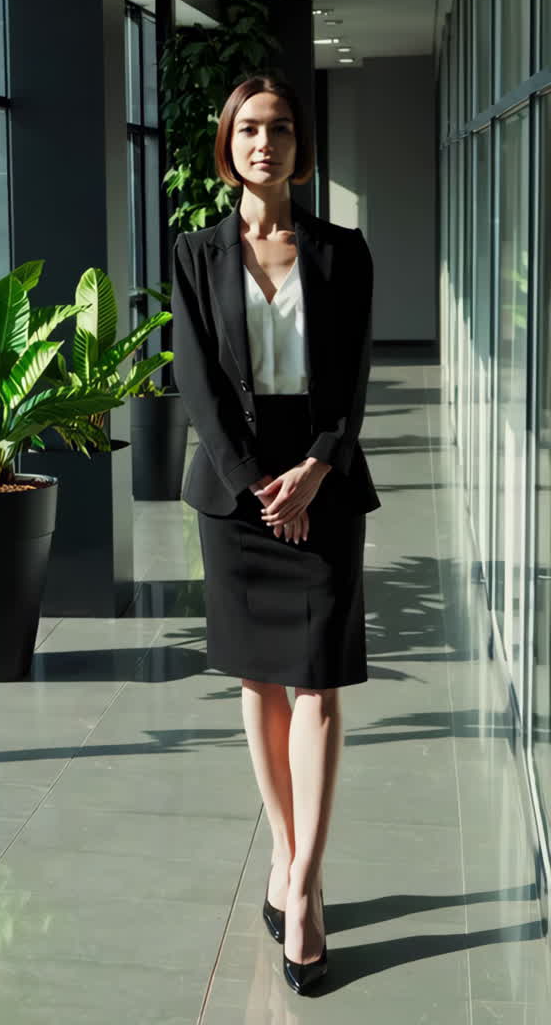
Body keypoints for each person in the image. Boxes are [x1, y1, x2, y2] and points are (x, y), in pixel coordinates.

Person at [170, 75, 381, 995]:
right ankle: (291, 858)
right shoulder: (194, 253)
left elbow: (355, 378)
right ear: (229, 146)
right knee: (260, 679)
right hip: (238, 491)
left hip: (323, 481)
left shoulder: (343, 251)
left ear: (300, 146)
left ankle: (301, 890)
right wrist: (259, 482)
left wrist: (316, 469)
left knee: (319, 683)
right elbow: (197, 380)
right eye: (250, 129)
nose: (266, 142)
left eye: (281, 128)